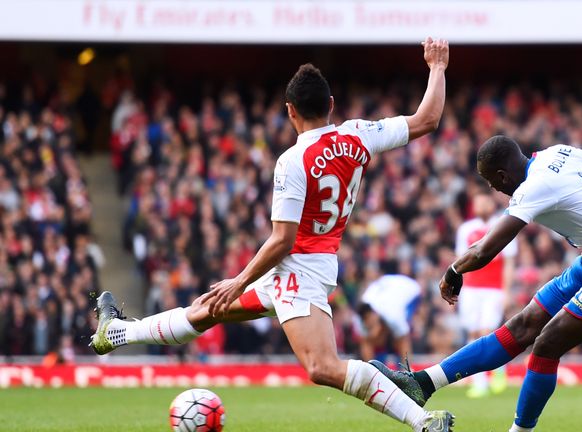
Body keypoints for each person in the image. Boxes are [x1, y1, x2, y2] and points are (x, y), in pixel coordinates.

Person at [91, 37, 454, 432]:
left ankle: (422, 420)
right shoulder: (359, 135)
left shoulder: (292, 160)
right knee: (205, 311)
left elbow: (282, 239)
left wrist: (239, 279)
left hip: (298, 271)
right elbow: (427, 119)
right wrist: (437, 67)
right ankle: (117, 331)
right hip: (301, 268)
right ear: (331, 106)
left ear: (289, 111)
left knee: (322, 367)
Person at [372, 136, 582, 432]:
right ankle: (422, 384)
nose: (495, 189)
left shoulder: (533, 188)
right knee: (522, 326)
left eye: (493, 182)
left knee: (547, 343)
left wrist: (453, 271)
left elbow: (487, 248)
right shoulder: (560, 152)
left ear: (503, 176)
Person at [454, 192, 516, 398]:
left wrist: (507, 291)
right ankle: (479, 382)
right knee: (472, 333)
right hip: (471, 289)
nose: (481, 205)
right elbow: (460, 260)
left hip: (493, 289)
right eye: (477, 202)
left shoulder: (503, 225)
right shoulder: (466, 229)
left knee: (487, 330)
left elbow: (508, 262)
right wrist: (456, 287)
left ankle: (498, 370)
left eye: (485, 202)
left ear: (491, 204)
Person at [357, 273, 422, 362]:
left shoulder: (393, 316)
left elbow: (404, 340)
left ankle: (400, 363)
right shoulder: (360, 316)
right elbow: (365, 343)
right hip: (384, 284)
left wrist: (407, 371)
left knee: (400, 336)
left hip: (410, 287)